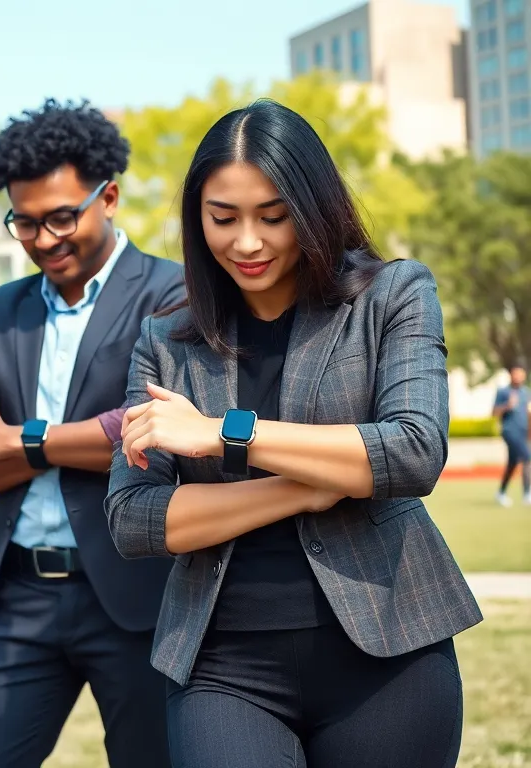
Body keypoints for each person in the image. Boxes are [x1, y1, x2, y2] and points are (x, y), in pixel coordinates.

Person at [105, 98, 480, 767]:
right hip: (223, 667)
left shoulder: (391, 297)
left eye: (273, 216)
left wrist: (226, 434)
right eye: (223, 218)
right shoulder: (165, 340)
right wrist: (305, 487)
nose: (247, 241)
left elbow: (413, 451)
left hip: (387, 656)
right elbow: (135, 520)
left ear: (314, 207)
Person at [0, 98, 184, 768]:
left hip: (138, 597)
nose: (43, 239)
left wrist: (14, 441)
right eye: (24, 222)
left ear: (110, 197)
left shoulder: (174, 293)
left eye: (62, 217)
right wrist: (76, 442)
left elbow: (153, 438)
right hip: (20, 599)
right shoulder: (2, 310)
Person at [492, 362, 530, 506]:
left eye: (521, 373)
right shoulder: (503, 391)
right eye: (516, 373)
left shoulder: (526, 392)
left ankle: (501, 493)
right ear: (511, 375)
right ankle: (527, 494)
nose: (518, 376)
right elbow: (494, 412)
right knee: (527, 457)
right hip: (509, 431)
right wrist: (507, 406)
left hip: (522, 432)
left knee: (513, 463)